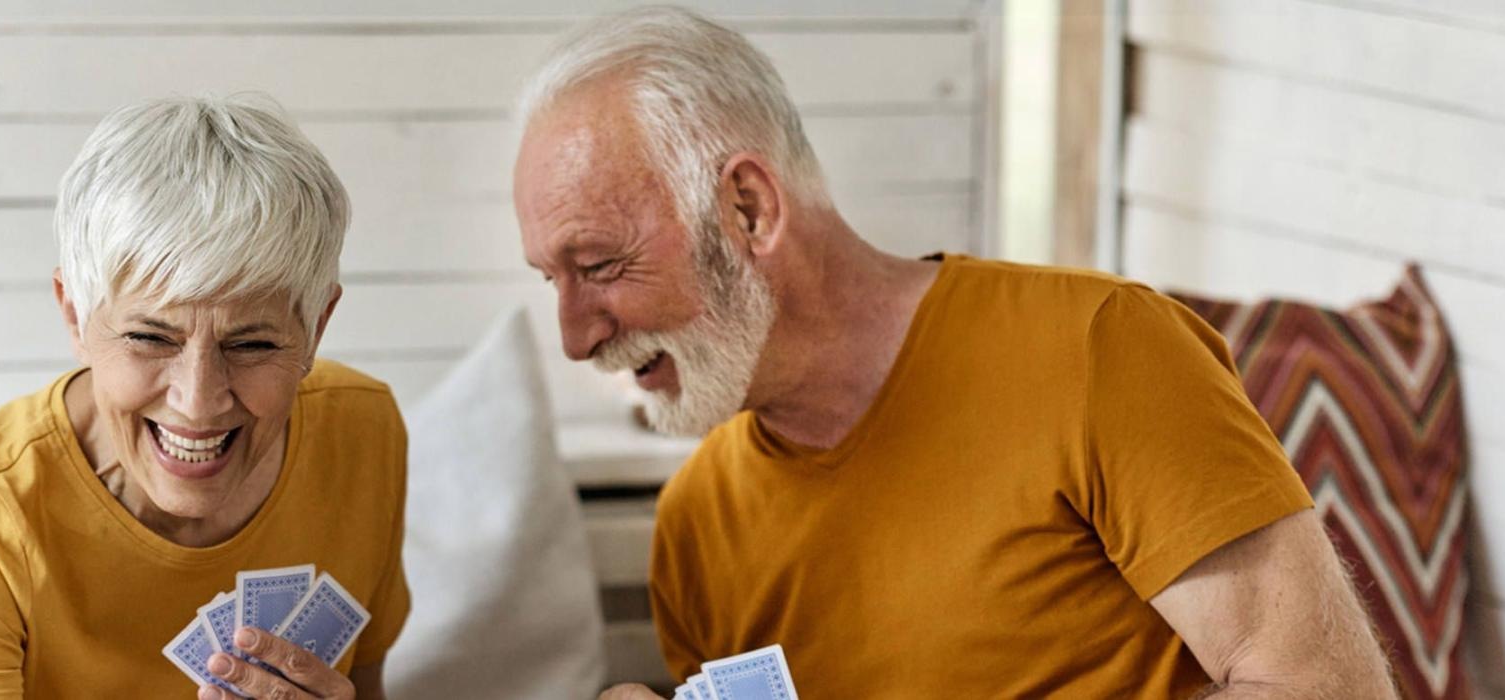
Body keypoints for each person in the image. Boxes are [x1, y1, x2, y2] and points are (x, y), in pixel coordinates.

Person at [511, 7, 1396, 698]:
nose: (577, 335)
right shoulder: (697, 524)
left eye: (598, 265)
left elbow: (1325, 689)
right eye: (555, 280)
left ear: (748, 208)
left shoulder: (1102, 347)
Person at [0, 95, 408, 699]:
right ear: (75, 317)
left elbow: (363, 683)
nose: (199, 401)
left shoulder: (364, 432)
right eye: (150, 337)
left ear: (316, 327)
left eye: (253, 344)